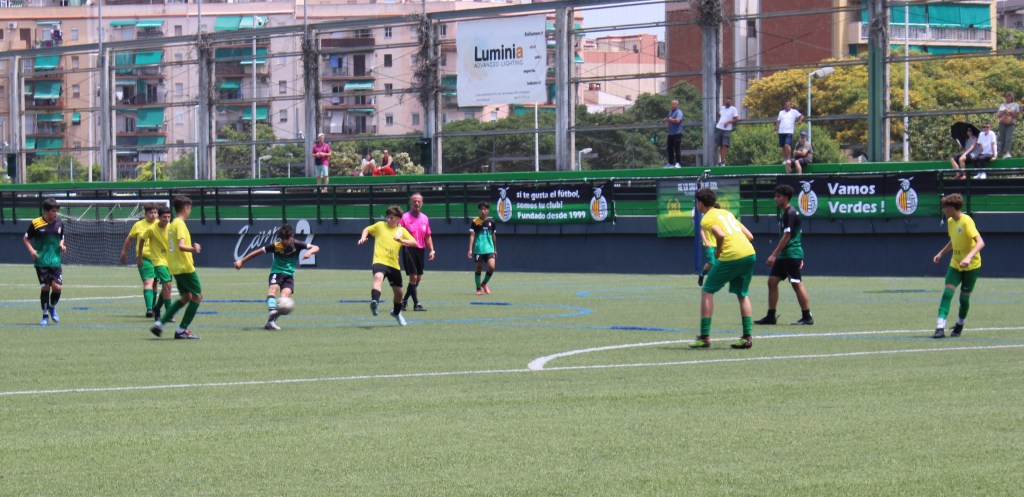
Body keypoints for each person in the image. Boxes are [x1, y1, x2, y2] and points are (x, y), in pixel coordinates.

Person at [689, 188, 756, 349]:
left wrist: (718, 252)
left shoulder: (706, 219)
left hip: (731, 256)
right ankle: (747, 337)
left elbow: (720, 235)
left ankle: (704, 337)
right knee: (742, 294)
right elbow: (750, 236)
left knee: (707, 291)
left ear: (700, 203)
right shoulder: (727, 214)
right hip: (749, 254)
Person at [234, 223, 319, 330]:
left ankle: (270, 322)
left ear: (292, 236)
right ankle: (272, 311)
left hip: (289, 276)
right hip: (276, 273)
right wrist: (242, 261)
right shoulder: (276, 246)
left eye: (286, 239)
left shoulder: (297, 244)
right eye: (282, 239)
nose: (284, 241)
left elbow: (316, 247)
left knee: (284, 299)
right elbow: (257, 252)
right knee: (273, 290)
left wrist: (309, 252)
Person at [755, 185, 813, 326]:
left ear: (786, 198)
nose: (775, 199)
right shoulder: (786, 213)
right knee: (772, 282)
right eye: (775, 196)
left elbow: (787, 237)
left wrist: (773, 255)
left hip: (791, 253)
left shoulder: (789, 213)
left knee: (796, 283)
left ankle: (807, 317)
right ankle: (771, 316)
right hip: (786, 254)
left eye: (778, 196)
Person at [931, 193, 985, 339]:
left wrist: (968, 257)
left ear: (952, 208)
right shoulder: (950, 221)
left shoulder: (966, 221)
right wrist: (941, 253)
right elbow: (953, 241)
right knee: (947, 293)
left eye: (945, 207)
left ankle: (960, 324)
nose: (943, 210)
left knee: (964, 299)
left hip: (972, 266)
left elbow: (981, 242)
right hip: (955, 264)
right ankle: (940, 327)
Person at [150, 195, 201, 339]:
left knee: (186, 297)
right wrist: (194, 249)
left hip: (175, 267)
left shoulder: (172, 224)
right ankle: (182, 330)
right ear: (185, 208)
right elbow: (181, 245)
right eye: (189, 208)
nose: (190, 211)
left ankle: (159, 324)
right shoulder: (180, 224)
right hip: (184, 267)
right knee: (197, 296)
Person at [358, 205, 418, 326]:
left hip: (393, 265)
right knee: (378, 277)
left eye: (391, 217)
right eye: (388, 217)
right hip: (379, 261)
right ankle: (375, 302)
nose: (388, 219)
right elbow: (366, 229)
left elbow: (415, 243)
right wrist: (363, 238)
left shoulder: (402, 231)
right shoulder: (380, 226)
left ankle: (396, 313)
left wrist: (402, 240)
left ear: (398, 219)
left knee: (399, 293)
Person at [23, 197, 66, 326]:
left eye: (56, 211)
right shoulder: (36, 223)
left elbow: (61, 237)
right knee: (45, 288)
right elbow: (25, 238)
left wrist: (62, 245)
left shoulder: (59, 223)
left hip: (55, 261)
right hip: (41, 261)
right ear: (46, 211)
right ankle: (45, 315)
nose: (55, 213)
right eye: (53, 211)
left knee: (57, 288)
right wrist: (31, 250)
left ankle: (52, 306)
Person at [119, 203, 159, 317]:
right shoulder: (138, 225)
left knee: (155, 284)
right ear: (145, 214)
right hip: (144, 258)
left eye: (155, 212)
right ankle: (149, 309)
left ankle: (154, 307)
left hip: (159, 259)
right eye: (150, 212)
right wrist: (123, 253)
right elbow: (129, 239)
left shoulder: (160, 224)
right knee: (148, 282)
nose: (153, 214)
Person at [138, 206, 174, 326]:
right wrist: (139, 257)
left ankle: (157, 308)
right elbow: (142, 240)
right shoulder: (152, 229)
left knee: (166, 287)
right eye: (164, 217)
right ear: (159, 216)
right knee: (167, 284)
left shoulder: (171, 228)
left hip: (169, 261)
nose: (167, 219)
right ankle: (169, 312)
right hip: (157, 261)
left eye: (169, 217)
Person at [399, 193, 435, 312]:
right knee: (413, 277)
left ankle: (404, 301)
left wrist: (432, 250)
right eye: (414, 201)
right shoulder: (404, 218)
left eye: (419, 201)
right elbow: (398, 235)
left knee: (418, 278)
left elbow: (427, 236)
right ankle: (417, 304)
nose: (417, 203)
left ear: (422, 203)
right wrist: (396, 252)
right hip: (408, 249)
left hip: (420, 250)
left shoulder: (425, 218)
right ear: (411, 203)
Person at [468, 201, 498, 295]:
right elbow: (472, 235)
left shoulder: (492, 222)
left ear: (488, 210)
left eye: (485, 209)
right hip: (479, 249)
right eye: (481, 209)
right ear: (479, 210)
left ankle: (484, 283)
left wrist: (495, 249)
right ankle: (478, 288)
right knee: (479, 268)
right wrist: (470, 249)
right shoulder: (475, 222)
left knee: (492, 266)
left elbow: (493, 236)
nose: (483, 211)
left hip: (489, 249)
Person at [697, 203, 721, 287]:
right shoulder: (706, 218)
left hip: (718, 244)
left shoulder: (719, 219)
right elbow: (702, 230)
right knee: (712, 262)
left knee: (717, 263)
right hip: (709, 244)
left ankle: (703, 275)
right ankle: (703, 276)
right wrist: (705, 241)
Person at [776, 99, 804, 164]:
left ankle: (789, 158)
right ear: (784, 105)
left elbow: (802, 116)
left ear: (791, 105)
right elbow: (778, 121)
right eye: (786, 104)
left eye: (789, 104)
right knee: (783, 146)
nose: (787, 106)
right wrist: (776, 130)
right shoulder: (781, 112)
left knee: (787, 145)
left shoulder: (794, 111)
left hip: (789, 131)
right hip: (781, 131)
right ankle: (785, 159)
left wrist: (800, 121)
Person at [715, 96, 740, 166]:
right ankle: (718, 162)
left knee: (724, 145)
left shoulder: (733, 109)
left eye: (729, 101)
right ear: (725, 101)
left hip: (727, 130)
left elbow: (736, 119)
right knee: (718, 145)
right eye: (726, 101)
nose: (727, 102)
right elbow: (720, 116)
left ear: (731, 102)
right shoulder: (722, 108)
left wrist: (728, 122)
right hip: (719, 128)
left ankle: (723, 161)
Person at [997, 91, 1018, 158]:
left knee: (1008, 138)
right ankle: (1003, 154)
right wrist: (1003, 111)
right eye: (1007, 96)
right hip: (1002, 124)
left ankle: (1007, 152)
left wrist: (1010, 111)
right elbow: (998, 115)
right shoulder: (1002, 105)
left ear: (1012, 97)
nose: (1008, 97)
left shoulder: (1015, 105)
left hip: (1010, 124)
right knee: (1002, 139)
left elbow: (1016, 116)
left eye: (1009, 96)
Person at [665, 99, 683, 168]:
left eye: (674, 104)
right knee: (669, 148)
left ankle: (678, 163)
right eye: (672, 104)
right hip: (670, 134)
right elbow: (667, 121)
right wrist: (667, 124)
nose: (673, 105)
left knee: (677, 149)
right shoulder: (670, 113)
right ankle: (670, 163)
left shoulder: (679, 112)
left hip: (677, 133)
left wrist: (671, 120)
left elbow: (677, 121)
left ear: (677, 105)